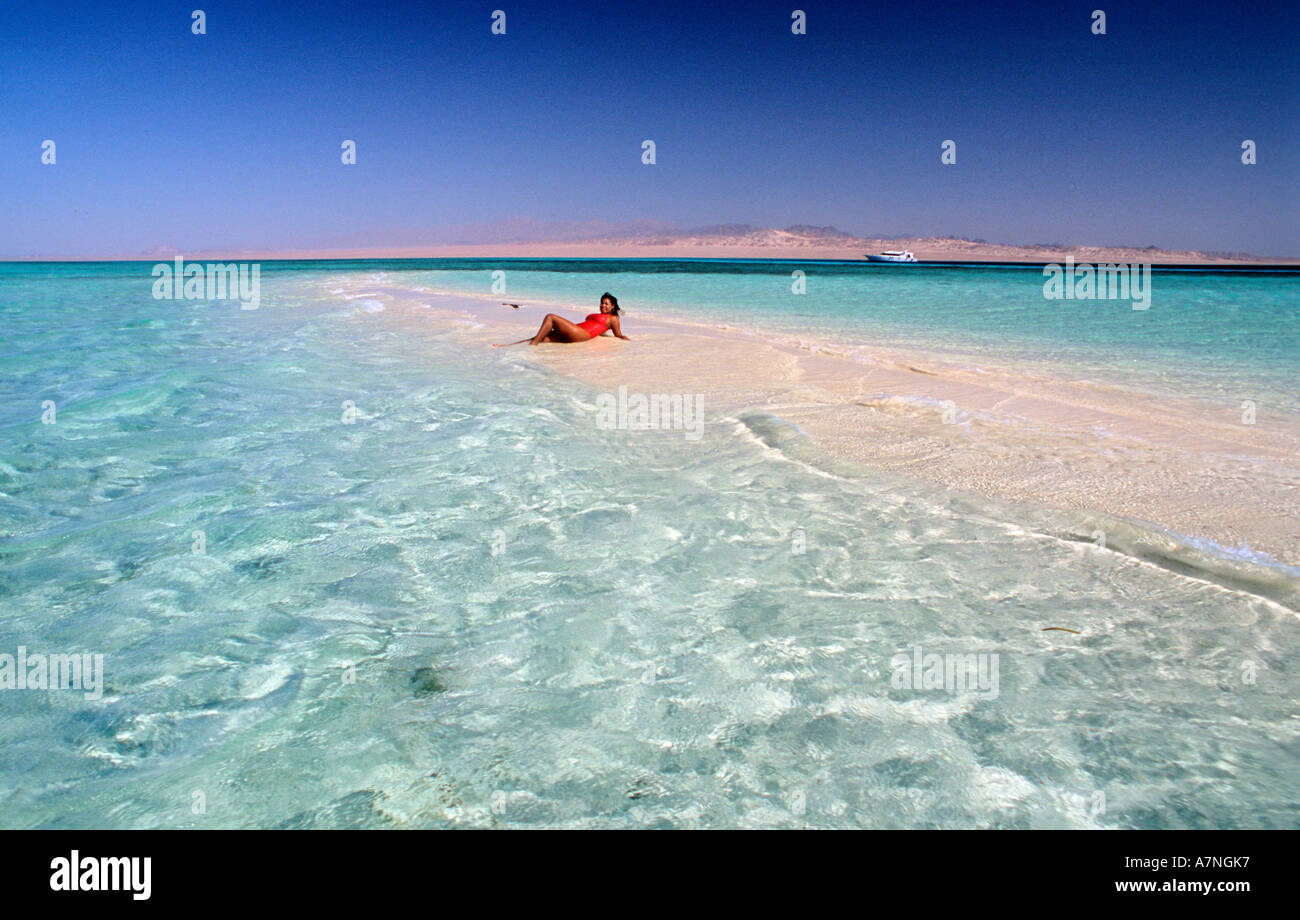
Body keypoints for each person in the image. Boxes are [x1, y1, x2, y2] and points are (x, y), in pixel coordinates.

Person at [493, 293, 629, 347]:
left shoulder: (613, 318)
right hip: (575, 332)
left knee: (550, 317)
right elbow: (598, 328)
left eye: (606, 304)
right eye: (601, 303)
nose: (603, 306)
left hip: (581, 334)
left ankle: (532, 346)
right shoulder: (597, 315)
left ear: (612, 306)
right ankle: (505, 346)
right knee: (540, 337)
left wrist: (625, 339)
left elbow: (617, 334)